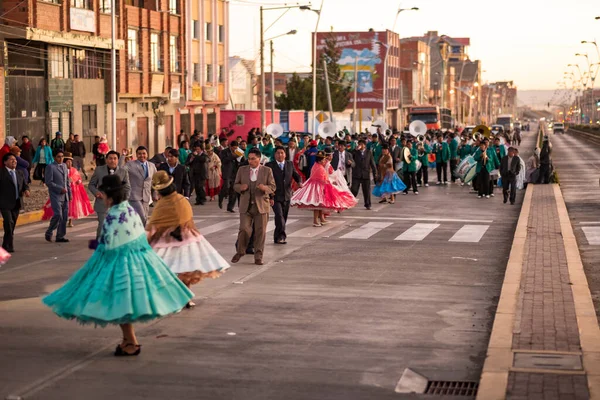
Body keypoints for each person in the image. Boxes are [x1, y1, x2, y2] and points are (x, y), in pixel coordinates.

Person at [43, 174, 193, 357]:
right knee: (124, 305)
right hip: (138, 260)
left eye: (103, 194)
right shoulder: (129, 210)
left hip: (120, 263)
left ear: (109, 195)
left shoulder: (114, 215)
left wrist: (94, 245)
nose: (101, 197)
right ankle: (128, 340)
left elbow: (110, 245)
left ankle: (131, 342)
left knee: (121, 304)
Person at [147, 171, 230, 309]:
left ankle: (178, 298)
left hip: (166, 241)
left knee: (170, 270)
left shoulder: (161, 205)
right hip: (187, 239)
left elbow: (153, 225)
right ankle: (186, 297)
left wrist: (148, 240)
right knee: (185, 269)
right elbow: (187, 218)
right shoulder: (181, 199)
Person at [231, 148, 276, 266]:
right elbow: (235, 185)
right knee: (244, 229)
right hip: (246, 205)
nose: (250, 161)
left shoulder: (267, 170)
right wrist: (240, 187)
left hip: (261, 205)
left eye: (253, 159)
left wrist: (264, 188)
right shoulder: (242, 170)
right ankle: (240, 251)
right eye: (249, 159)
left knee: (260, 232)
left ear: (259, 159)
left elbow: (273, 187)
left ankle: (258, 256)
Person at [291, 151, 357, 226]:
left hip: (318, 187)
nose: (324, 161)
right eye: (323, 160)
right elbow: (323, 179)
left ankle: (321, 219)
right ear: (319, 160)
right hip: (317, 187)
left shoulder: (317, 165)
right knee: (316, 205)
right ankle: (315, 221)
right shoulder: (319, 168)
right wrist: (331, 183)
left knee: (320, 204)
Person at [42, 152, 94, 227]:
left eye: (71, 162)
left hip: (73, 192)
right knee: (59, 208)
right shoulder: (58, 169)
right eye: (68, 162)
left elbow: (78, 178)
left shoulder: (74, 170)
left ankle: (69, 221)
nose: (70, 164)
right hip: (60, 191)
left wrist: (78, 181)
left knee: (71, 207)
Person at [89, 150, 131, 238]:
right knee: (103, 225)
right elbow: (91, 185)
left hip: (118, 205)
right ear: (106, 160)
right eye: (110, 158)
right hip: (102, 203)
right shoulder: (99, 170)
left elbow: (127, 188)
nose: (112, 160)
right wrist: (97, 192)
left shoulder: (123, 171)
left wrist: (124, 200)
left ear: (118, 160)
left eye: (115, 158)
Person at [266, 146, 302, 245]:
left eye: (282, 153)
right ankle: (281, 236)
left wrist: (299, 182)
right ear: (275, 154)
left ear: (285, 154)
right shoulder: (269, 165)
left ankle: (277, 237)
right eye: (278, 153)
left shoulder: (289, 164)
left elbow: (296, 175)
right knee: (279, 216)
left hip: (286, 195)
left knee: (284, 217)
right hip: (275, 195)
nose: (280, 155)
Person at [0, 153, 30, 252]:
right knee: (8, 223)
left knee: (11, 225)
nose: (14, 161)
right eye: (11, 159)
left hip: (17, 202)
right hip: (4, 203)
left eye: (15, 160)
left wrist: (26, 190)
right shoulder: (1, 173)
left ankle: (6, 244)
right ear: (5, 162)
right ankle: (9, 244)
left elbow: (25, 185)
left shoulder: (19, 173)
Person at [125, 146, 157, 225]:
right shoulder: (130, 164)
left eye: (144, 153)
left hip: (146, 196)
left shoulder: (152, 166)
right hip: (134, 196)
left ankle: (139, 235)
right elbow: (120, 170)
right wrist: (123, 157)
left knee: (143, 218)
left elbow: (155, 181)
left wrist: (155, 193)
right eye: (139, 154)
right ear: (136, 155)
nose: (142, 155)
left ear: (147, 154)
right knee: (142, 217)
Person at [44, 150, 71, 243]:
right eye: (59, 156)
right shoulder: (50, 167)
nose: (61, 158)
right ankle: (49, 231)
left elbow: (67, 181)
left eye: (62, 156)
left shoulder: (64, 166)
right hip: (56, 195)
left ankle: (60, 236)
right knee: (58, 215)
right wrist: (59, 189)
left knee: (64, 216)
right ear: (55, 157)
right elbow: (49, 182)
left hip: (65, 196)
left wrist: (69, 194)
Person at [351, 139, 377, 210]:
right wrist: (355, 150)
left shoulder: (369, 152)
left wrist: (375, 172)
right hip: (356, 174)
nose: (360, 146)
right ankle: (349, 202)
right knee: (354, 189)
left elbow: (372, 162)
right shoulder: (355, 152)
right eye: (359, 144)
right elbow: (350, 155)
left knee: (366, 190)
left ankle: (367, 204)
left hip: (365, 174)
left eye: (361, 144)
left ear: (364, 145)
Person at [219, 140, 242, 212]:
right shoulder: (224, 152)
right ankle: (221, 196)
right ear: (230, 146)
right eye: (234, 148)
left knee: (234, 191)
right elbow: (223, 160)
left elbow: (242, 161)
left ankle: (230, 207)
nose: (235, 149)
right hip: (227, 173)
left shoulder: (239, 152)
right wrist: (233, 156)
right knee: (226, 187)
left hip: (235, 173)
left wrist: (241, 157)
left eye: (236, 148)